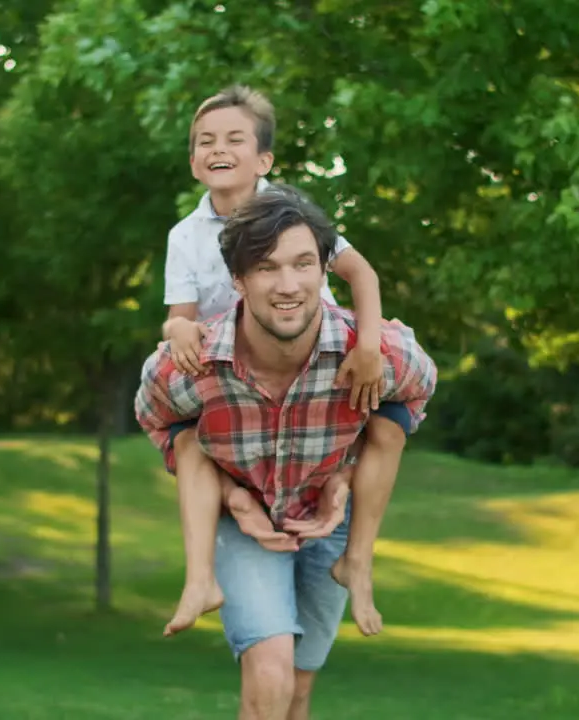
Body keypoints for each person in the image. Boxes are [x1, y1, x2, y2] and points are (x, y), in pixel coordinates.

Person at [136, 184, 437, 719]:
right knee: (270, 673)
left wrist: (346, 472)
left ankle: (356, 564)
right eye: (267, 268)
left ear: (325, 271)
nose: (288, 285)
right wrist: (231, 496)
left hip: (330, 525)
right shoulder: (193, 365)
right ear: (238, 280)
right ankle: (198, 579)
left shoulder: (372, 354)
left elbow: (417, 389)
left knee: (296, 692)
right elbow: (157, 416)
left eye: (303, 264)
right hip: (243, 522)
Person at [158, 84, 410, 638]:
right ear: (194, 160)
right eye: (204, 141)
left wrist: (367, 346)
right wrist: (178, 329)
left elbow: (361, 274)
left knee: (390, 424)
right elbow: (180, 317)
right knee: (187, 438)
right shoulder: (185, 236)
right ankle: (201, 576)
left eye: (233, 138)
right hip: (239, 379)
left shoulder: (294, 214)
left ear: (264, 159)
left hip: (318, 368)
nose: (217, 148)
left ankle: (357, 557)